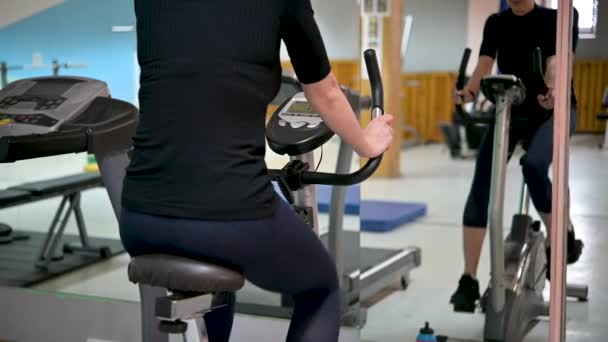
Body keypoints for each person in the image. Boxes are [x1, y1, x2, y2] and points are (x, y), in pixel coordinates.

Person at [118, 1, 394, 341]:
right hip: (230, 213)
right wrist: (366, 143)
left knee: (221, 266)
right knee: (321, 289)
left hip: (139, 216)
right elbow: (326, 93)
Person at [449, 0, 584, 312]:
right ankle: (468, 279)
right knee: (481, 183)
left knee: (534, 166)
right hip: (508, 108)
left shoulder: (559, 17)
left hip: (553, 108)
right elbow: (484, 65)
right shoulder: (496, 23)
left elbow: (558, 60)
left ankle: (558, 237)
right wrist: (468, 91)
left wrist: (553, 86)